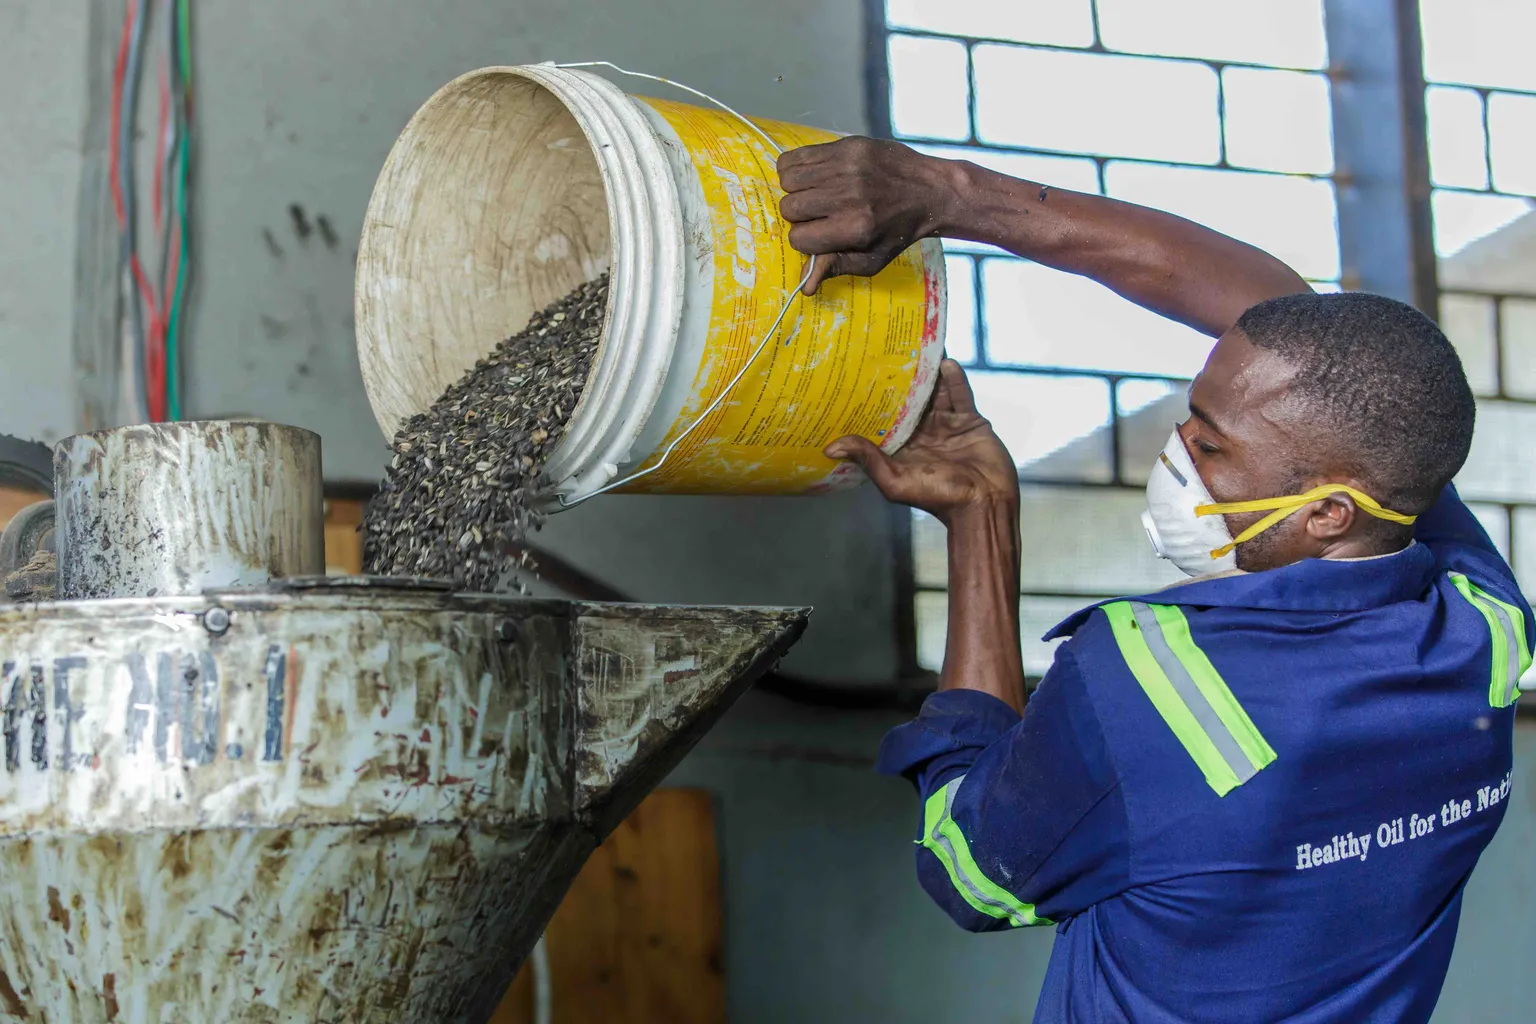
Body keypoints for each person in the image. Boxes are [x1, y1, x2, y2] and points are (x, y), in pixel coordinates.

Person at [777, 137, 1533, 1023]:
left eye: (1211, 446)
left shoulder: (1152, 684)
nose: (1180, 457)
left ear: (1329, 511)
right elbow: (1280, 319)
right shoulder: (1480, 629)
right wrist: (945, 195)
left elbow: (969, 873)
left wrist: (981, 518)